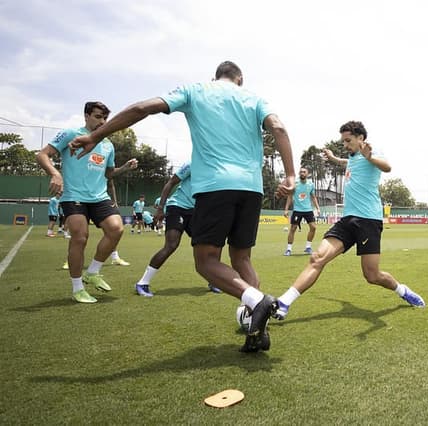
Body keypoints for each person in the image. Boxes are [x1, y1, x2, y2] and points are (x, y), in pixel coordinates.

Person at [68, 61, 295, 352]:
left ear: (215, 77)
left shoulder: (195, 90)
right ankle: (256, 328)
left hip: (215, 186)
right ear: (240, 79)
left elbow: (142, 108)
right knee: (242, 259)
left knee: (206, 261)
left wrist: (95, 135)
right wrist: (289, 175)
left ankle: (255, 301)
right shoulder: (254, 98)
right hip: (251, 189)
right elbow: (278, 127)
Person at [273, 120, 425, 321]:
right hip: (347, 220)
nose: (345, 144)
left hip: (368, 221)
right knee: (317, 258)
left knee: (372, 276)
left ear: (360, 138)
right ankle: (284, 302)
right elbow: (348, 162)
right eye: (343, 141)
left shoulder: (372, 152)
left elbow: (387, 167)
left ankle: (403, 290)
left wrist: (369, 156)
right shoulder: (352, 157)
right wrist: (334, 158)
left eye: (348, 140)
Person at [36, 101, 138, 303]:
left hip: (99, 197)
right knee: (80, 237)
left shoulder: (108, 144)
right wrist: (55, 173)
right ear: (86, 115)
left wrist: (124, 168)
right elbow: (42, 155)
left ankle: (93, 271)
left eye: (105, 118)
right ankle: (77, 288)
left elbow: (109, 174)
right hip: (74, 196)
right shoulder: (70, 134)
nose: (102, 121)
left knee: (116, 229)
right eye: (98, 116)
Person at [134, 161, 221, 297]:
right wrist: (161, 208)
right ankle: (142, 283)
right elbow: (170, 183)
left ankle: (213, 281)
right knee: (171, 245)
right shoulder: (193, 163)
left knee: (209, 245)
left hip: (196, 212)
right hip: (177, 206)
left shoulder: (219, 170)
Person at [283, 166, 321, 256]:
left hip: (308, 210)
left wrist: (318, 208)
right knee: (293, 228)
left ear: (307, 174)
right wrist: (286, 209)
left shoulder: (311, 184)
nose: (302, 173)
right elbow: (289, 196)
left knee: (313, 227)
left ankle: (308, 247)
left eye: (304, 172)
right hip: (297, 210)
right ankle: (288, 249)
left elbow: (313, 197)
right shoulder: (295, 183)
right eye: (301, 172)